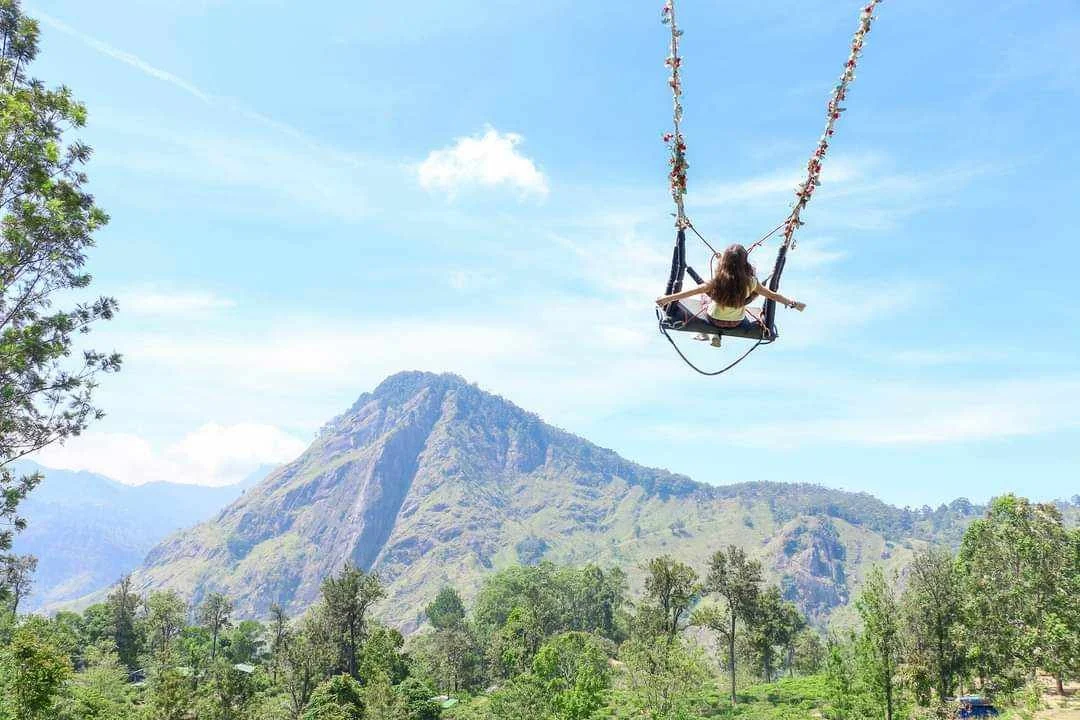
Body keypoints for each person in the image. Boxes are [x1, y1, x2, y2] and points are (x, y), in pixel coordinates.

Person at [656, 243, 805, 345]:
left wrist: (666, 298)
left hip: (713, 319)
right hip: (737, 322)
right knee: (741, 304)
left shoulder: (717, 281)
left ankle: (710, 334)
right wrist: (793, 303)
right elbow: (773, 296)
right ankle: (712, 334)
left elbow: (688, 292)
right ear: (744, 262)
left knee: (705, 296)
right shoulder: (751, 282)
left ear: (724, 263)